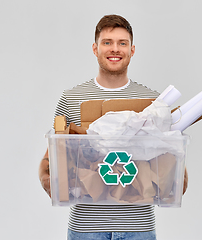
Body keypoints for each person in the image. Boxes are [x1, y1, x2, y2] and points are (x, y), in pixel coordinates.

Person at [39, 14, 187, 240]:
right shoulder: (72, 99)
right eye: (107, 42)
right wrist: (54, 183)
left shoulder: (153, 103)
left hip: (138, 227)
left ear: (132, 49)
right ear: (95, 48)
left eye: (122, 43)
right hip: (86, 227)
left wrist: (175, 182)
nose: (114, 49)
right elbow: (52, 159)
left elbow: (170, 162)